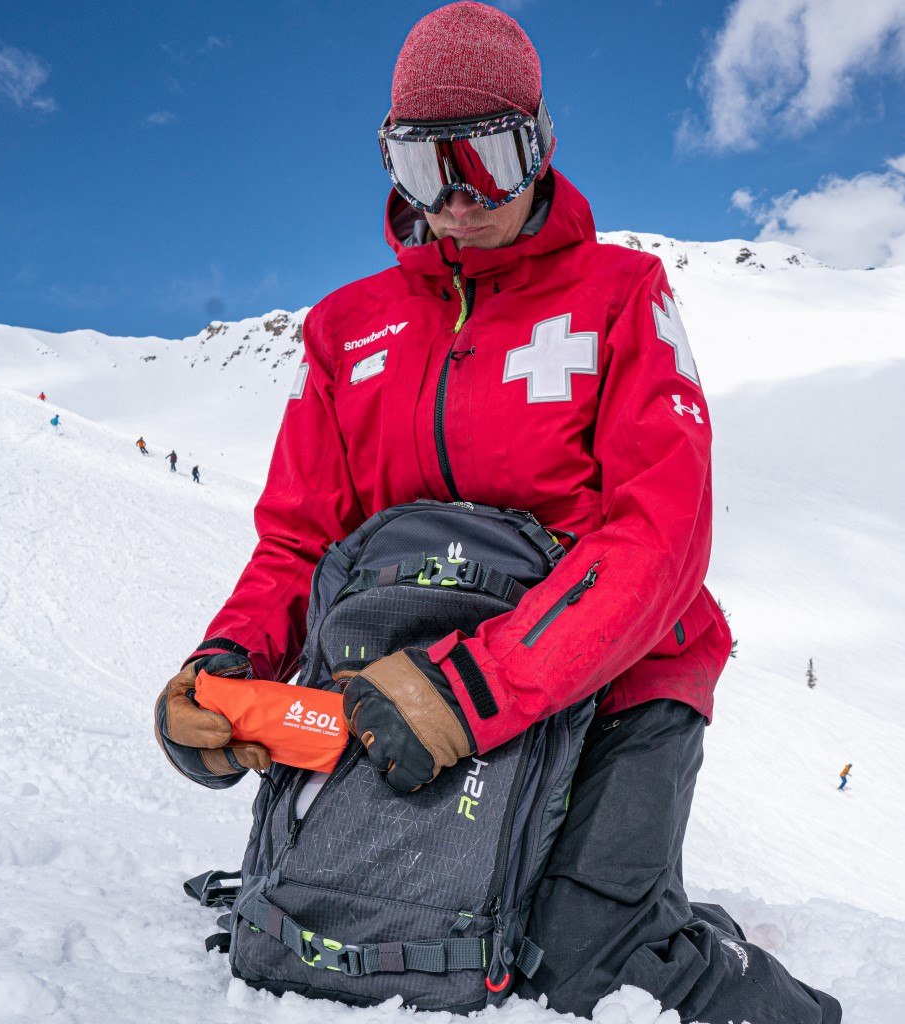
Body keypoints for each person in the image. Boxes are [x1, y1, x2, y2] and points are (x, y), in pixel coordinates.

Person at [153, 5, 840, 1022]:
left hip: (618, 670)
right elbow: (301, 539)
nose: (458, 199)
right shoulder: (350, 329)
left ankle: (741, 975)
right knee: (360, 931)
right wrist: (229, 664)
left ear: (540, 145)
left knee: (582, 968)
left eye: (487, 158)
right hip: (403, 675)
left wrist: (479, 683)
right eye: (425, 167)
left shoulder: (618, 296)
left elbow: (660, 537)